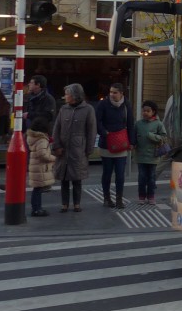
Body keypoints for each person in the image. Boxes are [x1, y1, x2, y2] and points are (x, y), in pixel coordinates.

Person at [52, 83, 95, 213]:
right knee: (63, 178)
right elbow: (56, 128)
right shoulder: (63, 109)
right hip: (63, 148)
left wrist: (89, 149)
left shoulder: (88, 109)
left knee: (77, 178)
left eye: (67, 94)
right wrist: (56, 145)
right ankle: (64, 204)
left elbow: (91, 130)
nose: (65, 96)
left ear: (74, 95)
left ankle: (77, 203)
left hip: (78, 149)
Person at [96, 81, 136, 209]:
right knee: (107, 172)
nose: (112, 94)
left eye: (115, 92)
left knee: (120, 173)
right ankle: (107, 198)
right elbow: (97, 121)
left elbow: (130, 123)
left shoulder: (126, 104)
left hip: (121, 142)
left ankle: (119, 199)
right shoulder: (103, 104)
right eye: (111, 92)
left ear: (121, 93)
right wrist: (104, 133)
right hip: (107, 142)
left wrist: (132, 141)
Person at [133, 100, 168, 205]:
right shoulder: (138, 124)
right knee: (142, 177)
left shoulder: (158, 124)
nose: (145, 113)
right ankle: (142, 197)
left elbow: (164, 138)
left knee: (151, 178)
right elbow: (133, 137)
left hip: (153, 156)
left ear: (153, 112)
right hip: (141, 156)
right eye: (144, 111)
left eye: (148, 111)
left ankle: (151, 196)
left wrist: (151, 136)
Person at [25, 114, 55, 216]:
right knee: (38, 189)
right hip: (40, 167)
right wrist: (53, 158)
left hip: (35, 166)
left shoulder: (32, 137)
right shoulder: (42, 139)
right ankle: (37, 209)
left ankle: (36, 208)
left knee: (37, 189)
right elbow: (43, 155)